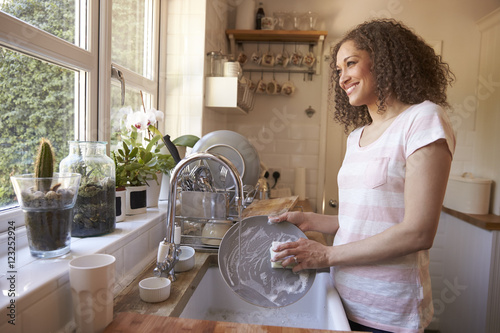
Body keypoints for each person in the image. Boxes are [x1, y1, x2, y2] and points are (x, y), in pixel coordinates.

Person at [269, 19, 456, 333]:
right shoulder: (356, 137)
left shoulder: (423, 120)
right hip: (341, 300)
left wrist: (326, 254)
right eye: (339, 70)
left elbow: (418, 232)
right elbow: (363, 222)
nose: (342, 78)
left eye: (351, 64)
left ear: (383, 62)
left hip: (389, 313)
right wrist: (311, 220)